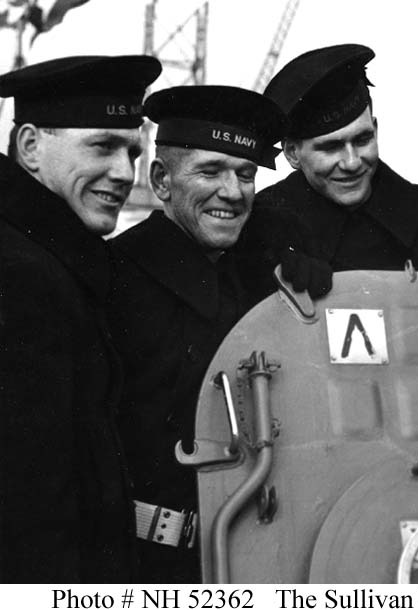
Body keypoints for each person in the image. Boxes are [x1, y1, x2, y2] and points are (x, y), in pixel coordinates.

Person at [106, 85, 286, 583]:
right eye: (210, 171)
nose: (233, 191)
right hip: (140, 567)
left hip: (245, 559)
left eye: (245, 174)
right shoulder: (111, 278)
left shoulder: (259, 281)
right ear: (161, 181)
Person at [0, 55, 161, 582]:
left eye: (132, 152)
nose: (125, 173)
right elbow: (30, 507)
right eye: (102, 146)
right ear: (30, 146)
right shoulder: (21, 274)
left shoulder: (55, 260)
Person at [249, 43, 418, 272]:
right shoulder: (258, 225)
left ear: (375, 130)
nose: (352, 162)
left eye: (362, 140)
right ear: (292, 153)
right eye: (331, 147)